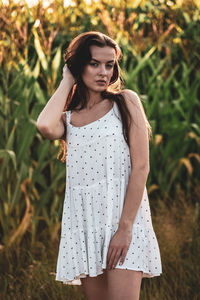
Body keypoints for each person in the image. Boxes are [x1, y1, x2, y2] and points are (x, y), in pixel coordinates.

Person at [36, 31, 162, 300]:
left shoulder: (126, 102)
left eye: (109, 64)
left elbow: (141, 167)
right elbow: (45, 125)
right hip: (85, 225)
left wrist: (125, 228)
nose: (103, 72)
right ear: (79, 65)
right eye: (94, 63)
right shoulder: (69, 119)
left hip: (123, 222)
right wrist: (67, 79)